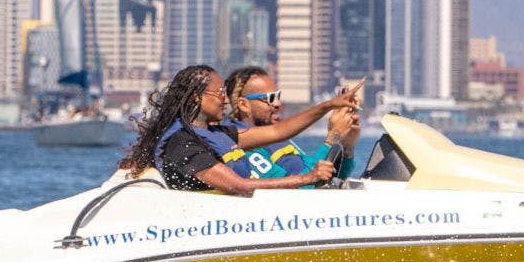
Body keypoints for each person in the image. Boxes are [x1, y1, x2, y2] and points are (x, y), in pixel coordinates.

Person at [119, 65, 353, 195]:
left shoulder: (218, 133)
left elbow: (278, 133)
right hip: (210, 227)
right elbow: (236, 185)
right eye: (220, 93)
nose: (225, 100)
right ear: (196, 97)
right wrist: (308, 178)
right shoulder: (181, 143)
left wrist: (328, 105)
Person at [222, 66, 361, 186]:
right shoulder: (240, 146)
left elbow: (332, 179)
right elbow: (297, 193)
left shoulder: (277, 138)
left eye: (278, 96)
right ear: (243, 105)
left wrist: (348, 146)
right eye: (270, 98)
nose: (278, 104)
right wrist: (332, 138)